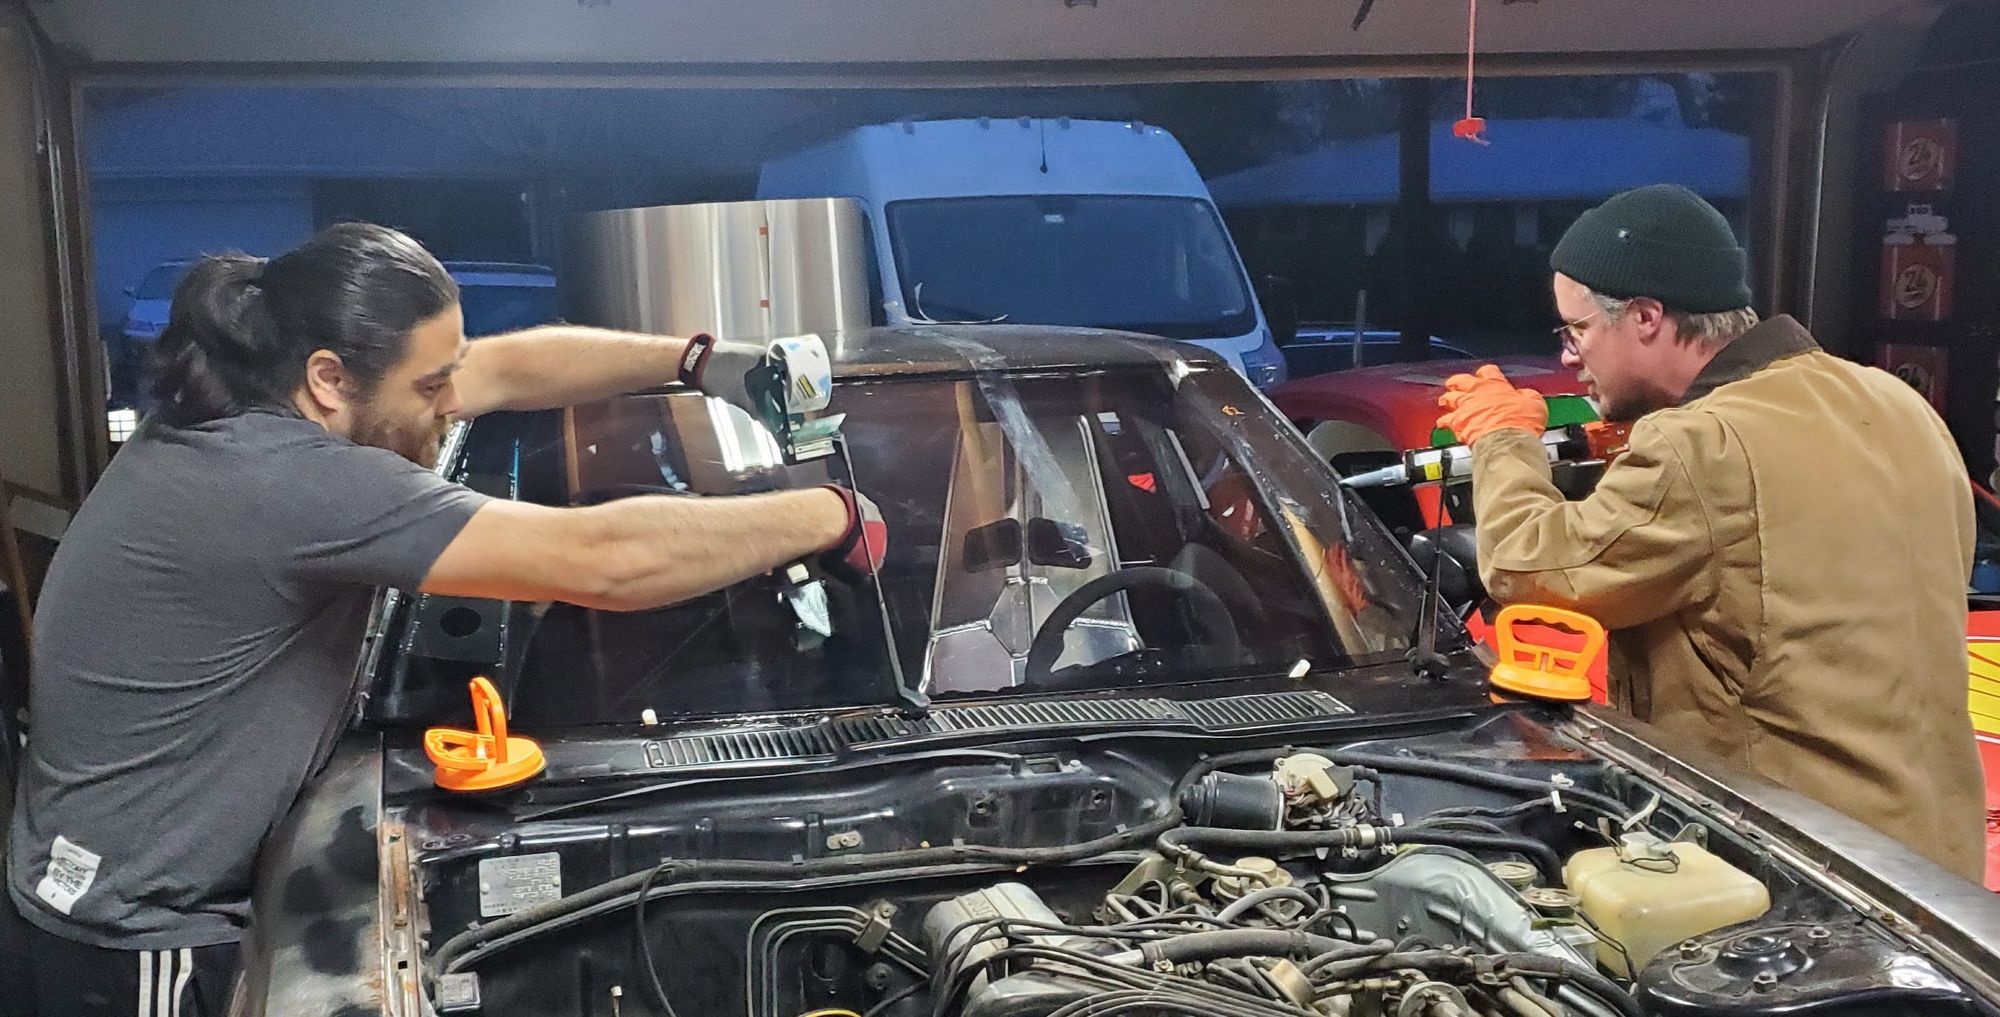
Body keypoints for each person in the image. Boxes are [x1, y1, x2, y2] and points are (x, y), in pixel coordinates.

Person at [2, 223, 887, 1015]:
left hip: (81, 888)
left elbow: (502, 368)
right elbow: (603, 560)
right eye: (429, 386)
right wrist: (829, 515)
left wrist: (700, 362)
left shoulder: (244, 406)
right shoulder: (294, 481)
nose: (451, 402)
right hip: (132, 938)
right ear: (328, 379)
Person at [1437, 184, 1985, 882]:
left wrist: (1503, 439)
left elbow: (1529, 567)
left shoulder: (1701, 445)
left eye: (1576, 331)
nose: (1570, 357)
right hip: (1939, 871)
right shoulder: (1893, 401)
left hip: (1800, 871)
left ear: (1645, 317)